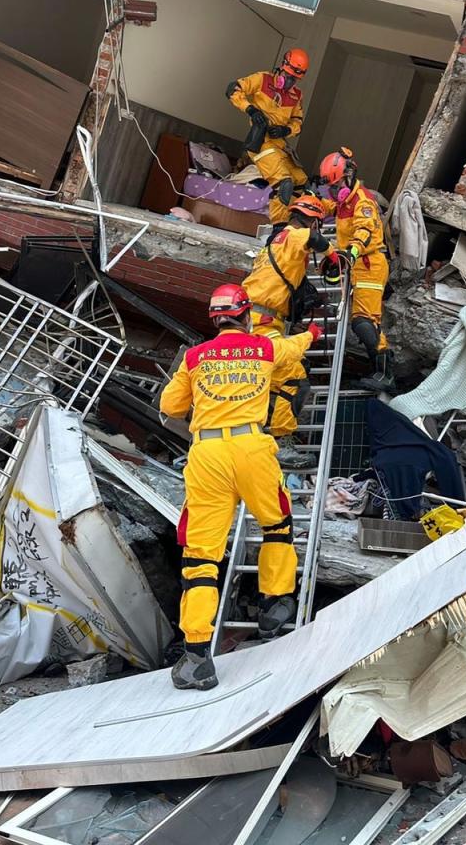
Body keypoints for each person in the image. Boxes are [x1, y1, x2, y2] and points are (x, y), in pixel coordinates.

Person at [159, 283, 321, 691]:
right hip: (252, 447)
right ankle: (275, 607)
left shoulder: (195, 357)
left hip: (208, 454)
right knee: (277, 525)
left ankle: (196, 656)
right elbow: (294, 348)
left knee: (200, 556)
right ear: (246, 315)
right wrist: (315, 333)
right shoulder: (264, 348)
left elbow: (170, 408)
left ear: (215, 319)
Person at [242, 193, 340, 464]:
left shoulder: (277, 240)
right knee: (294, 377)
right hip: (263, 322)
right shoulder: (296, 234)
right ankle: (280, 441)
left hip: (258, 319)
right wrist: (333, 257)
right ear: (312, 222)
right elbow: (314, 240)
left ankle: (260, 433)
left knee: (274, 378)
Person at [318, 146, 395, 393]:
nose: (334, 191)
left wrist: (349, 254)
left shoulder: (363, 202)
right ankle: (379, 370)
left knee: (364, 322)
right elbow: (328, 207)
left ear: (349, 176)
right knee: (364, 321)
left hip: (369, 264)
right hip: (358, 266)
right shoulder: (344, 201)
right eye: (331, 187)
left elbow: (364, 230)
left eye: (337, 185)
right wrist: (308, 202)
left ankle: (386, 373)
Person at [226, 48, 310, 224]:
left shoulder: (297, 96)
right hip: (261, 142)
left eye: (293, 79)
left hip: (279, 144)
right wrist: (250, 109)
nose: (288, 82)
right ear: (282, 67)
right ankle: (278, 227)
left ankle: (291, 222)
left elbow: (297, 123)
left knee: (300, 180)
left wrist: (286, 131)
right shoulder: (263, 79)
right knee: (284, 183)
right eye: (287, 76)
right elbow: (232, 89)